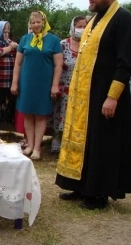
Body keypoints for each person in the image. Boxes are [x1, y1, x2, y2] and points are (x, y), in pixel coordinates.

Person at [56, 0, 131, 210]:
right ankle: (80, 186)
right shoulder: (93, 21)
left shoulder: (123, 20)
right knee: (87, 140)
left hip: (106, 94)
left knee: (103, 142)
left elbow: (125, 62)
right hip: (86, 96)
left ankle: (99, 192)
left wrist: (112, 97)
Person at [11, 11, 63, 160]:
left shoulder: (53, 40)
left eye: (38, 22)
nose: (35, 25)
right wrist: (15, 83)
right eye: (33, 22)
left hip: (44, 83)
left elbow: (58, 65)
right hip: (27, 82)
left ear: (44, 22)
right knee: (27, 113)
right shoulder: (25, 39)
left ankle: (37, 148)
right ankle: (29, 145)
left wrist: (55, 85)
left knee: (40, 115)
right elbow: (18, 63)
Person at [50, 16, 87, 153]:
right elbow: (56, 64)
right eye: (79, 26)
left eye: (85, 26)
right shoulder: (63, 44)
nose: (82, 29)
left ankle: (74, 142)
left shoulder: (88, 44)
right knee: (60, 113)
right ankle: (57, 138)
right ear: (73, 26)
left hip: (81, 87)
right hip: (64, 86)